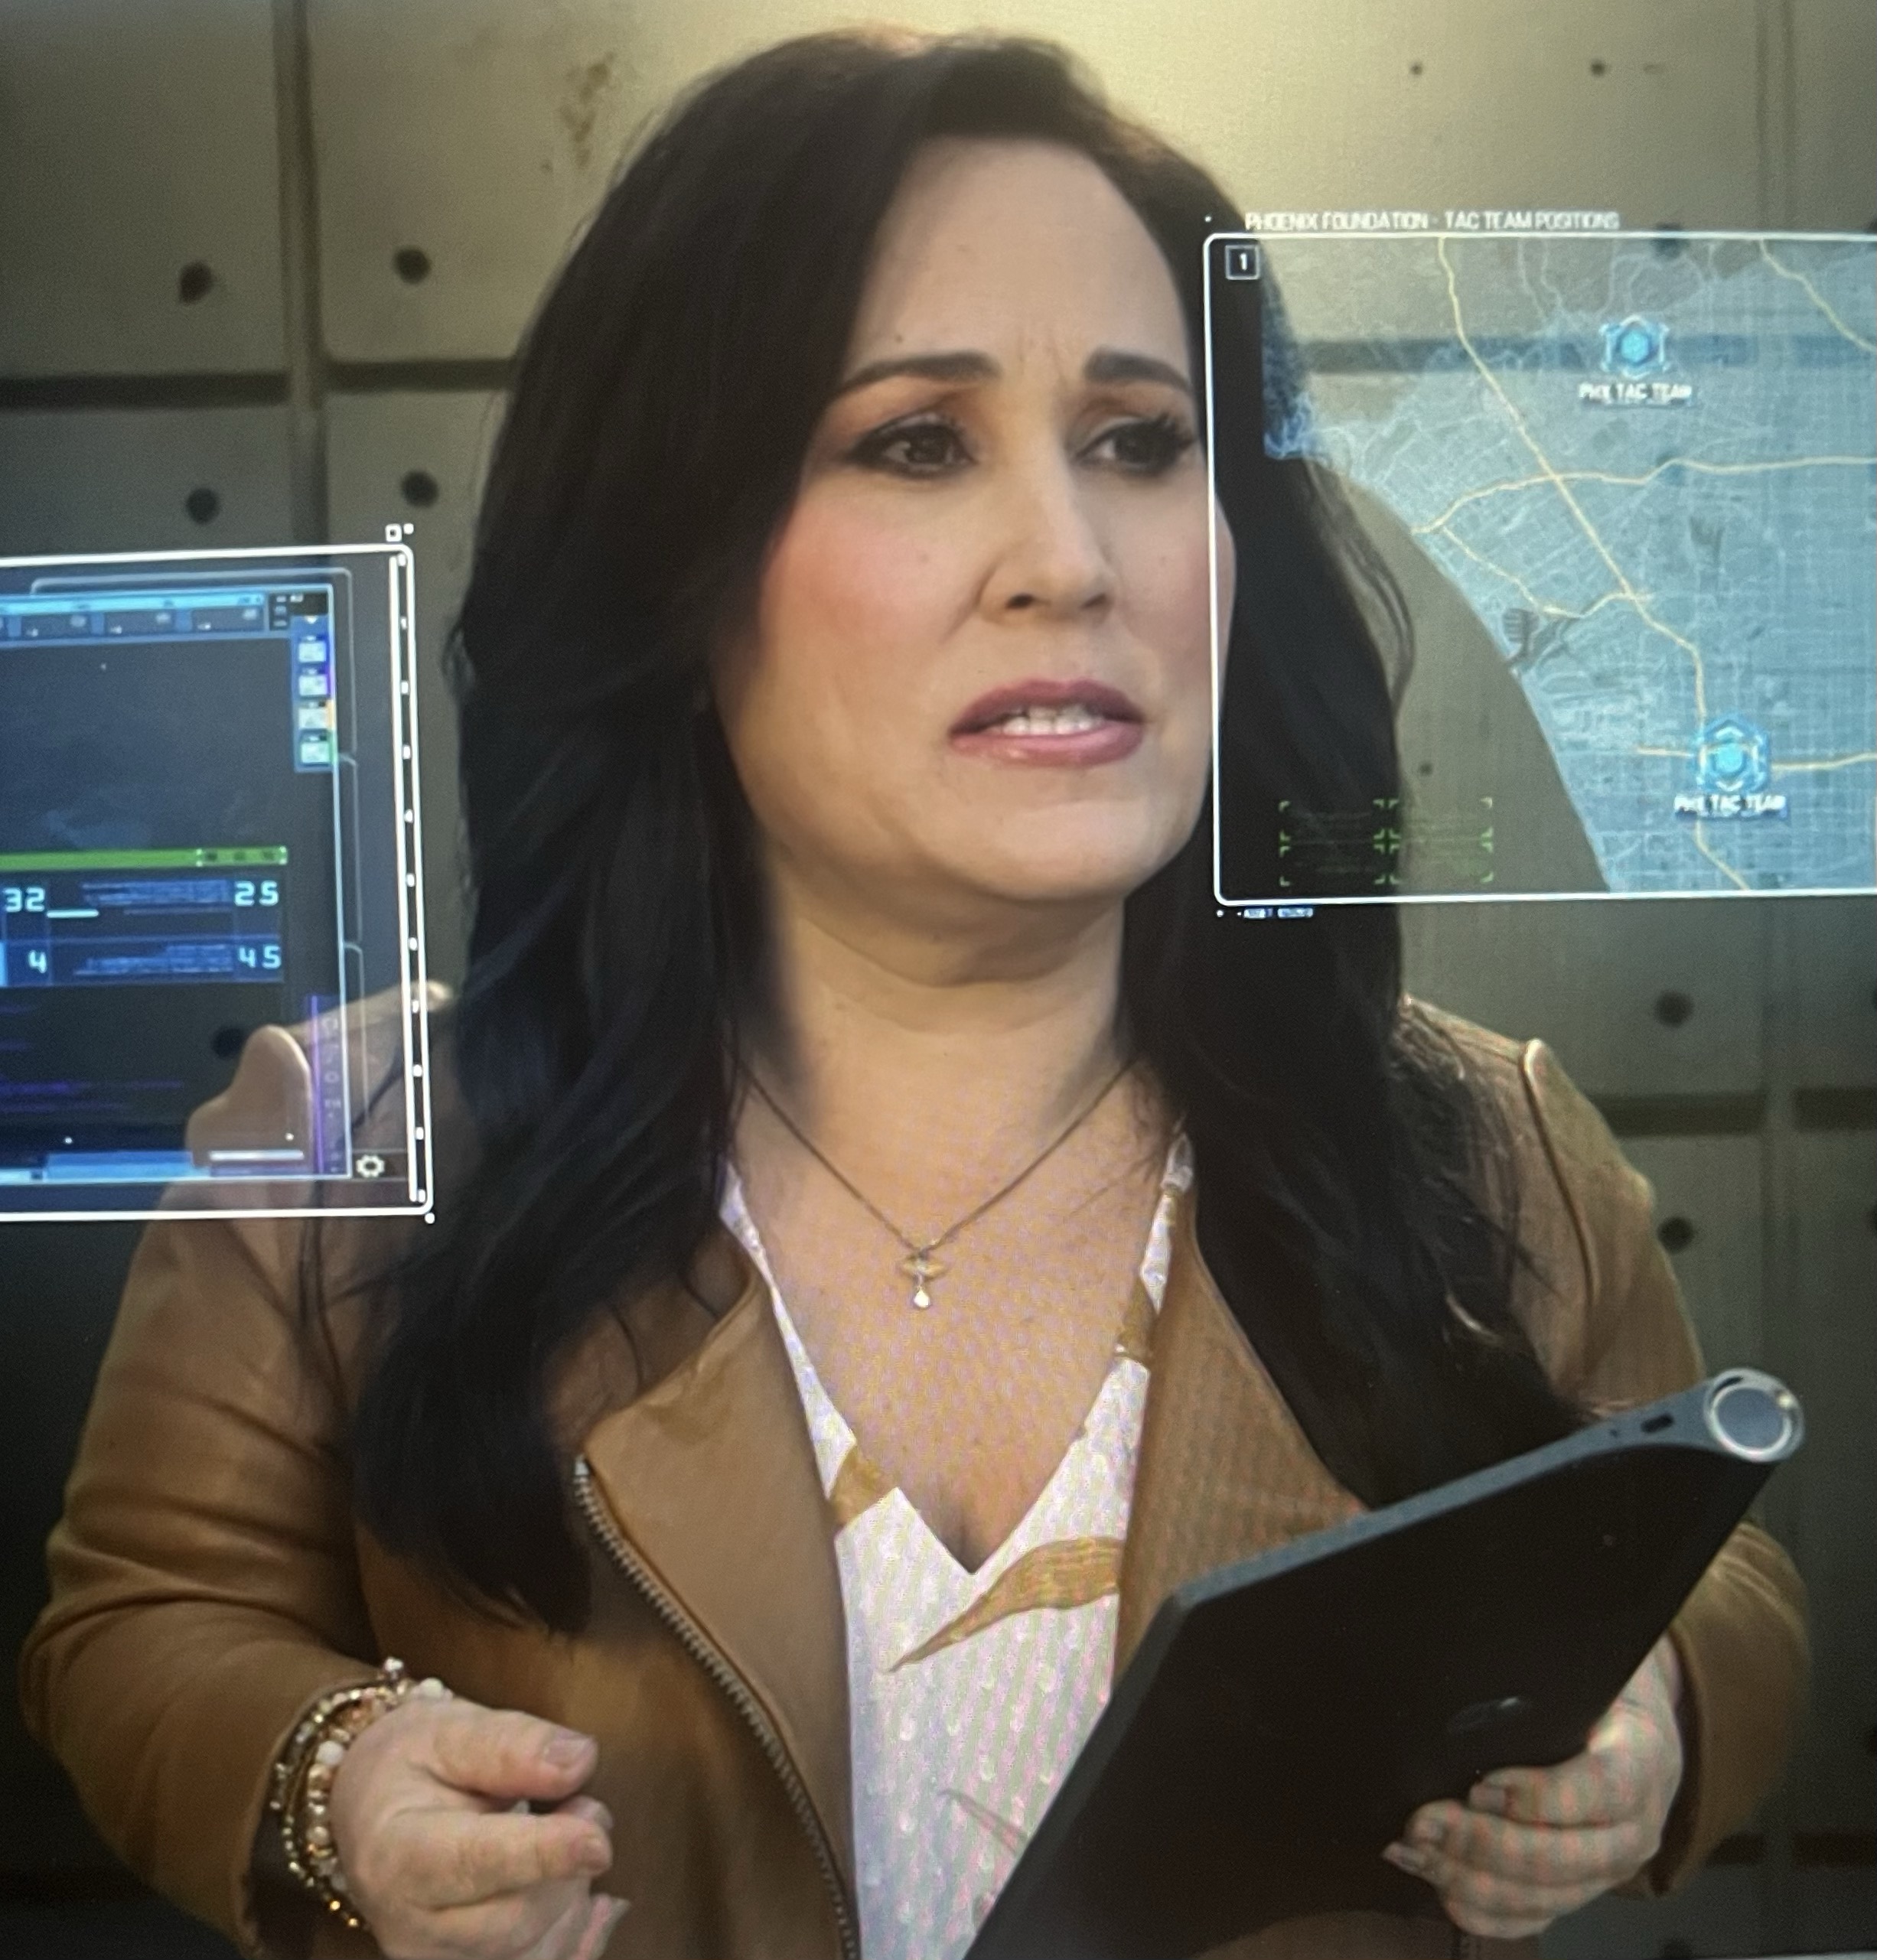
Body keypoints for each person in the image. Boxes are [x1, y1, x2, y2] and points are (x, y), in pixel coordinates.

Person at [20, 31, 1806, 1960]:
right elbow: (140, 1624)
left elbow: (1721, 1579)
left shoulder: (1487, 1148)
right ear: (674, 563)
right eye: (918, 443)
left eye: (1141, 440)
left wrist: (1655, 1713)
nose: (1070, 560)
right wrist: (331, 1775)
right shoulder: (340, 1154)